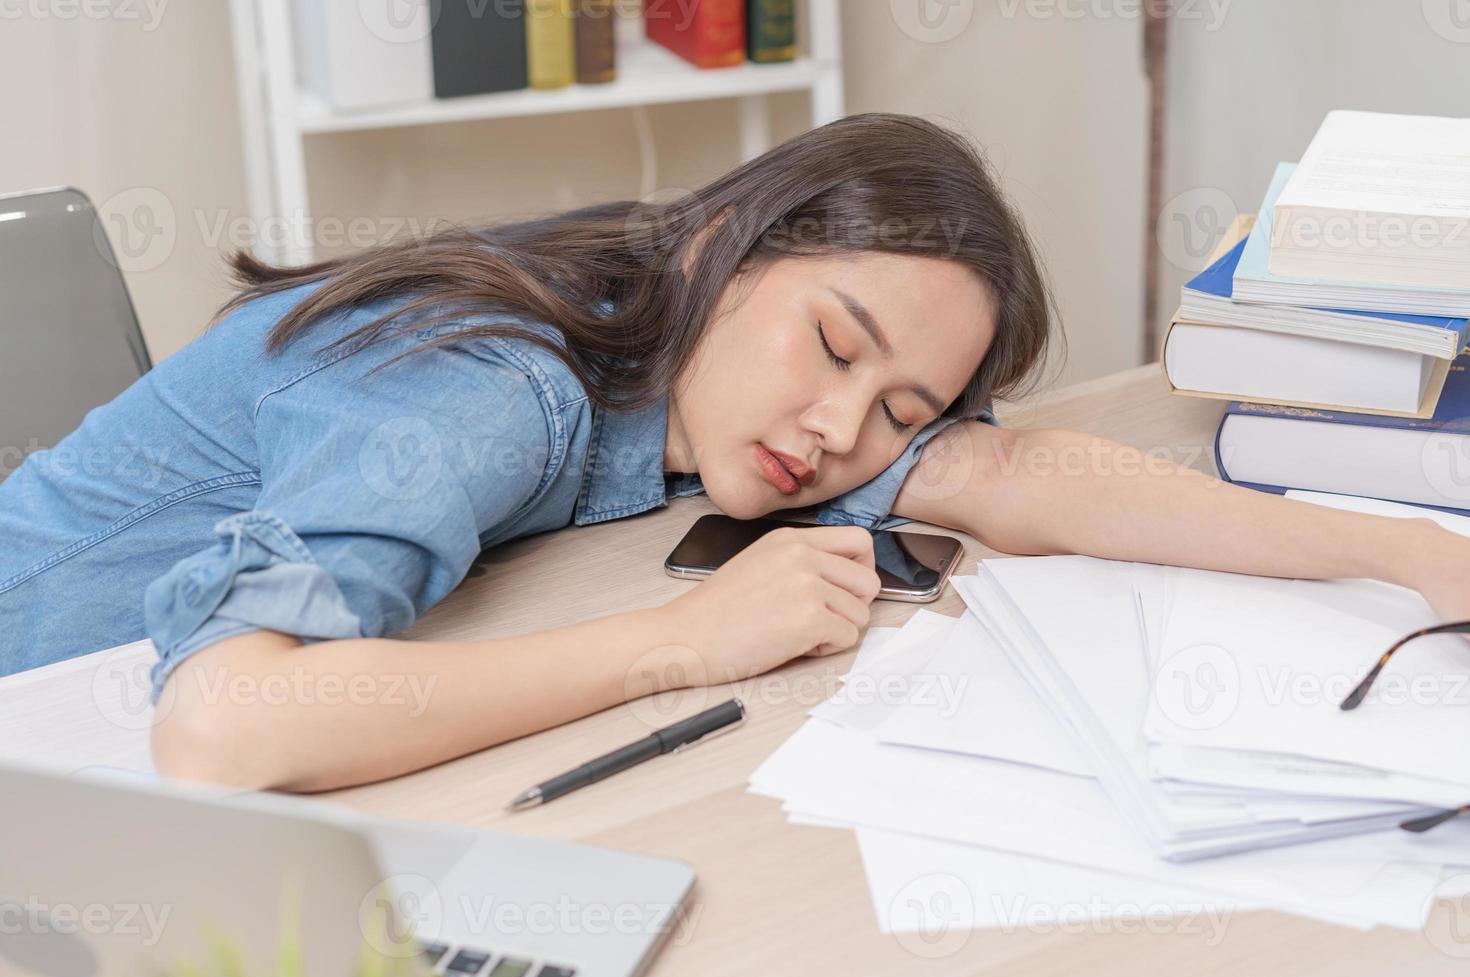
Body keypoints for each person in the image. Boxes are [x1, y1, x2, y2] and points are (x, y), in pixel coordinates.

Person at [0, 114, 1461, 793]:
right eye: (835, 348)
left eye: (900, 407)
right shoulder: (491, 385)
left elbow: (1004, 479)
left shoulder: (679, 341)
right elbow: (228, 730)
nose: (844, 432)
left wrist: (1401, 552)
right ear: (724, 243)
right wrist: (682, 642)